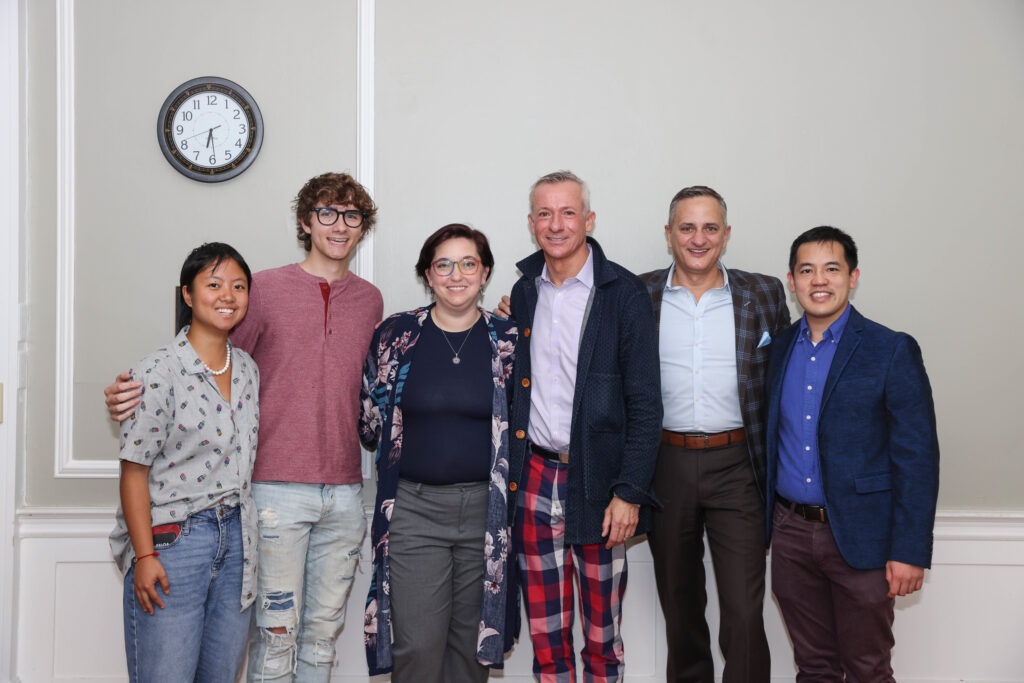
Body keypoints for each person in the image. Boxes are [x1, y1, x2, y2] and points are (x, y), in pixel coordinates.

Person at [104, 173, 383, 681]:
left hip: (344, 492)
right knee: (274, 639)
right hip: (272, 491)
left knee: (321, 639)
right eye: (326, 212)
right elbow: (207, 353)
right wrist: (130, 390)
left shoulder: (371, 300)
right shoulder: (265, 289)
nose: (339, 225)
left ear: (363, 226)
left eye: (351, 215)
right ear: (305, 221)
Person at [505, 171, 662, 681]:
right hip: (534, 481)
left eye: (568, 212)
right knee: (548, 641)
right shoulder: (524, 293)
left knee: (602, 640)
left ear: (588, 220)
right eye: (545, 214)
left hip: (600, 485)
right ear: (532, 224)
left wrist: (630, 491)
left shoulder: (625, 293)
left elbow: (645, 405)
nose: (556, 224)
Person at [765, 225, 939, 680]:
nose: (818, 280)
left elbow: (917, 457)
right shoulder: (779, 348)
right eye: (807, 270)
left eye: (831, 269)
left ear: (853, 277)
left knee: (867, 668)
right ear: (791, 280)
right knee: (814, 667)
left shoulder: (890, 349)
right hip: (791, 536)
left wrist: (910, 549)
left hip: (864, 541)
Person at [637, 185, 788, 683]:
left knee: (745, 611)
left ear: (726, 235)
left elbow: (783, 377)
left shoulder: (764, 293)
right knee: (680, 608)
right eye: (687, 227)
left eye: (709, 227)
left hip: (738, 465)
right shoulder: (638, 294)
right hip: (666, 464)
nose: (698, 238)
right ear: (668, 235)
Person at [359, 224, 517, 681]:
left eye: (468, 263)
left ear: (484, 273)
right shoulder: (395, 336)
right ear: (428, 274)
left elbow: (524, 423)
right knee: (417, 646)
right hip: (414, 511)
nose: (456, 275)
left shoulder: (507, 342)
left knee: (471, 651)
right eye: (443, 264)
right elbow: (370, 421)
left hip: (486, 514)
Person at [109, 242, 258, 682]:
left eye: (238, 286)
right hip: (174, 542)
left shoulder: (249, 368)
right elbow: (133, 472)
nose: (227, 295)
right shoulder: (157, 371)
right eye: (213, 285)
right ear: (188, 295)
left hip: (238, 543)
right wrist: (144, 556)